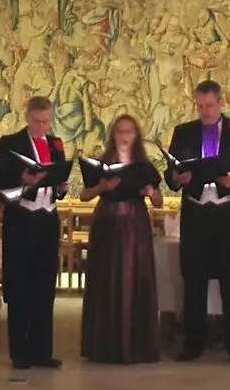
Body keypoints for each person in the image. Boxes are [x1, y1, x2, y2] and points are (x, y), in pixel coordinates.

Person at [166, 80, 230, 363]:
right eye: (200, 105)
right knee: (193, 280)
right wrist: (176, 178)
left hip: (226, 214)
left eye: (209, 105)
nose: (204, 110)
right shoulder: (184, 132)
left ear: (221, 102)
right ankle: (193, 343)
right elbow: (170, 172)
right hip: (196, 212)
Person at [80, 113, 163, 364]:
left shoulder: (145, 166)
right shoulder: (102, 163)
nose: (124, 136)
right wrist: (100, 188)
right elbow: (84, 195)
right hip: (107, 224)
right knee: (106, 280)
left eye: (129, 132)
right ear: (113, 135)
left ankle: (135, 345)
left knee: (132, 279)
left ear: (136, 136)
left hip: (134, 226)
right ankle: (104, 345)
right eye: (120, 132)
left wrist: (150, 192)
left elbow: (159, 201)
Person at [0, 95, 67, 370]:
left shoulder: (55, 144)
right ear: (27, 117)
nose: (41, 128)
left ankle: (42, 351)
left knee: (44, 288)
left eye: (46, 122)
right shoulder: (11, 144)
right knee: (20, 286)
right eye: (37, 122)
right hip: (21, 220)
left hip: (47, 220)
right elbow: (0, 181)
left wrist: (60, 187)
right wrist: (22, 180)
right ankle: (20, 352)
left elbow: (57, 176)